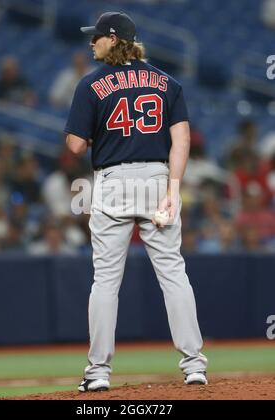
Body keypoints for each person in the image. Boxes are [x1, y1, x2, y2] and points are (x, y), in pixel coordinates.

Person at [65, 12, 208, 392]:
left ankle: (97, 373)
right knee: (173, 273)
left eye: (96, 37)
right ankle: (194, 365)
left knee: (105, 281)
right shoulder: (168, 82)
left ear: (113, 39)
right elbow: (182, 140)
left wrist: (101, 130)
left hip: (113, 181)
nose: (91, 43)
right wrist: (173, 190)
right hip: (158, 179)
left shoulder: (91, 84)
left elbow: (76, 144)